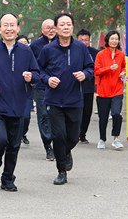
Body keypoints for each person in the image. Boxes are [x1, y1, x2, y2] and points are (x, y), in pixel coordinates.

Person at [0, 13, 39, 192]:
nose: (9, 28)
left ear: (18, 28)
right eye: (5, 25)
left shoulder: (26, 51)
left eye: (12, 25)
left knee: (14, 145)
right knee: (0, 139)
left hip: (18, 105)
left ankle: (8, 178)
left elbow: (37, 73)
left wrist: (31, 76)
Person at [36, 13, 94, 185]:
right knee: (58, 135)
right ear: (56, 28)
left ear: (72, 27)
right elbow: (38, 71)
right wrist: (48, 79)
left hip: (75, 100)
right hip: (54, 101)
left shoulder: (80, 48)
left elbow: (90, 67)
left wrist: (84, 74)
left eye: (69, 24)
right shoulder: (48, 50)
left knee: (73, 136)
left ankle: (66, 151)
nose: (66, 27)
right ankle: (61, 171)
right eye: (62, 24)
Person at [93, 30, 127, 150]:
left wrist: (123, 72)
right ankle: (102, 139)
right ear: (107, 40)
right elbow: (96, 71)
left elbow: (123, 66)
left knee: (117, 114)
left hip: (117, 89)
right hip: (103, 90)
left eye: (116, 39)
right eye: (112, 39)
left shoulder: (121, 55)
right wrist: (109, 68)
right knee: (103, 117)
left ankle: (116, 139)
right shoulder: (100, 54)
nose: (114, 41)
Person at [29, 18, 56, 161]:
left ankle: (59, 145)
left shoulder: (64, 43)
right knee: (44, 116)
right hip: (41, 86)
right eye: (47, 28)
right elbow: (32, 65)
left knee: (58, 116)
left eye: (53, 27)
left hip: (60, 86)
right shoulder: (35, 46)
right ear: (42, 30)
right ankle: (48, 147)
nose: (51, 30)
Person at [76, 29, 100, 144]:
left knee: (87, 112)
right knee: (75, 111)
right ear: (77, 40)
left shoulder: (95, 53)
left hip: (88, 87)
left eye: (86, 40)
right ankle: (74, 133)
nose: (84, 42)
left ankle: (82, 134)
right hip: (74, 87)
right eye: (81, 40)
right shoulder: (72, 50)